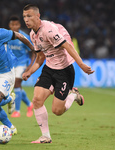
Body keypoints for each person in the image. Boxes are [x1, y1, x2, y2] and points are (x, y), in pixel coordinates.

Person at [22, 4, 95, 143]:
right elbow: (40, 57)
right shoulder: (33, 34)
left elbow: (67, 45)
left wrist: (81, 65)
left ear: (38, 16)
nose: (26, 19)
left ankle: (73, 95)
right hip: (49, 69)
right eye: (24, 16)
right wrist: (29, 71)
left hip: (64, 71)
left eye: (29, 16)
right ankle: (46, 137)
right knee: (37, 100)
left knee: (57, 111)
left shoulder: (48, 30)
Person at [7, 15, 35, 118]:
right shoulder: (6, 36)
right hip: (11, 64)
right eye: (12, 24)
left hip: (22, 63)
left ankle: (17, 111)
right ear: (9, 25)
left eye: (16, 24)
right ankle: (29, 104)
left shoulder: (24, 37)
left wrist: (30, 67)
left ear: (19, 25)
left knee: (17, 83)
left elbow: (33, 51)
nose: (14, 26)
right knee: (16, 86)